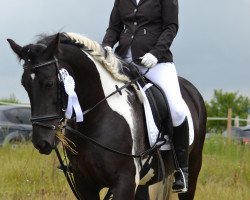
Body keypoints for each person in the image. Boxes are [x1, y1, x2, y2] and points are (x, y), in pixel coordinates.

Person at [102, 0, 189, 193]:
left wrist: (157, 53)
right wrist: (107, 45)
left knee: (177, 109)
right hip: (123, 61)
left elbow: (170, 27)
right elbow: (114, 27)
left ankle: (182, 170)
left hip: (156, 63)